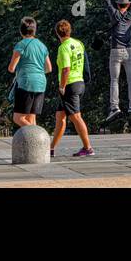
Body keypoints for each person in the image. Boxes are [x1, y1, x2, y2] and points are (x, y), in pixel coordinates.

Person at [96, 0, 131, 121]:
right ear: (127, 5)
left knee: (114, 80)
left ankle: (115, 107)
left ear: (118, 5)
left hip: (115, 50)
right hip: (129, 50)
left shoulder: (114, 13)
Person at [50, 19, 94, 157]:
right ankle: (50, 149)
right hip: (79, 81)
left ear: (57, 34)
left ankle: (88, 148)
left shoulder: (64, 47)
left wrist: (62, 86)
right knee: (60, 116)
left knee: (75, 116)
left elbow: (66, 69)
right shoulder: (78, 43)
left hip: (69, 84)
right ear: (70, 31)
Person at [8, 16, 53, 128]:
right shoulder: (42, 46)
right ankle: (35, 145)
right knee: (31, 117)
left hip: (26, 83)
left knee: (18, 118)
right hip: (41, 83)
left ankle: (38, 136)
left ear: (21, 30)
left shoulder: (21, 45)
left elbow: (11, 68)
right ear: (34, 30)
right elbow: (49, 68)